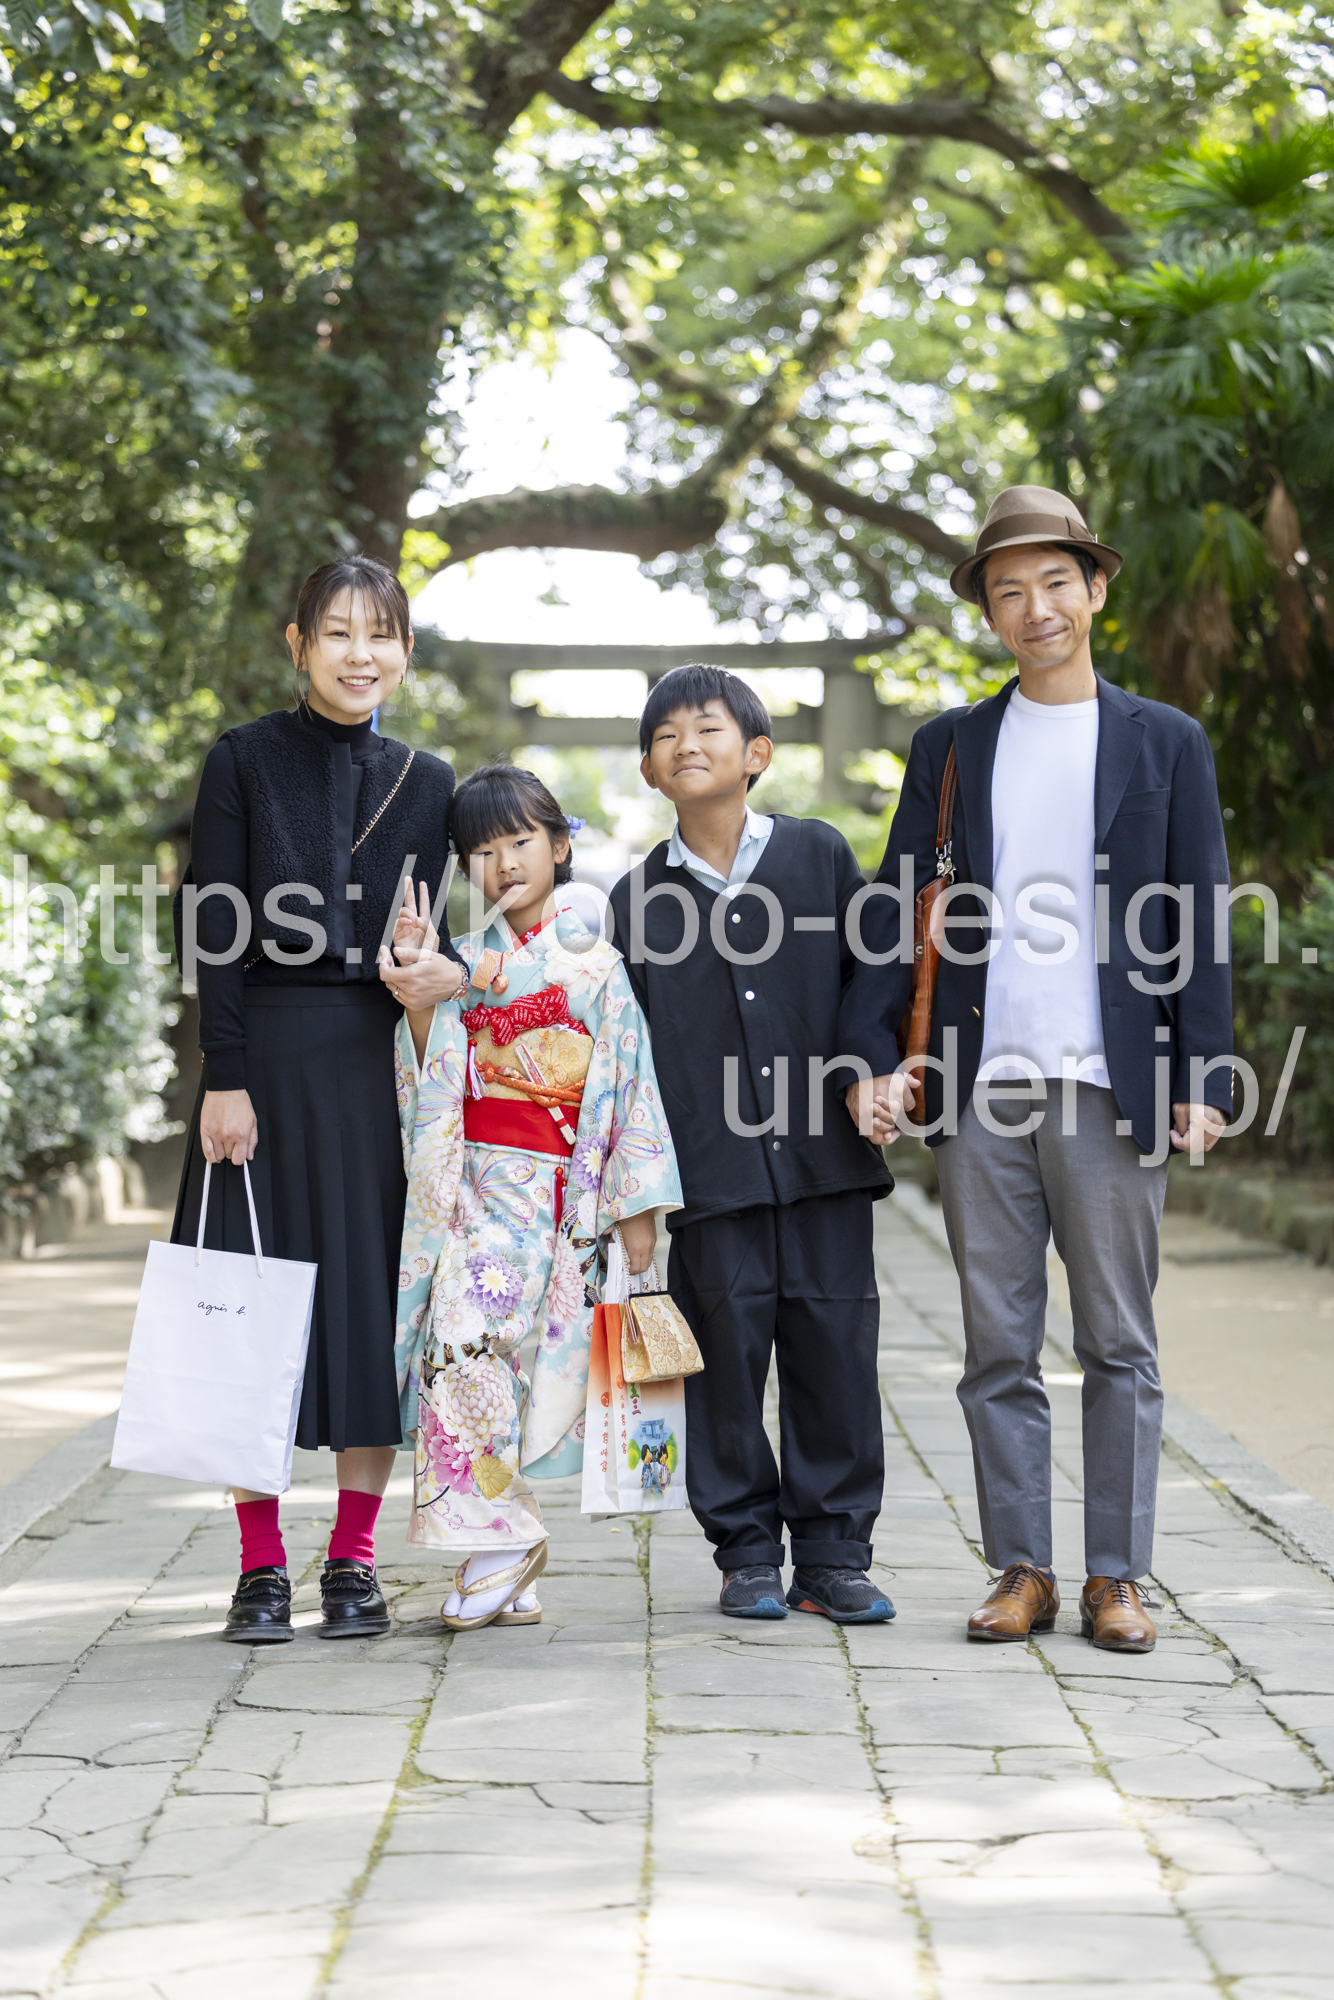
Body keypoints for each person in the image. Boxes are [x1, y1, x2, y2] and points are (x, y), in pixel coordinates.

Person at [840, 485, 1234, 1653]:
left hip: (1111, 1082)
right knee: (995, 1344)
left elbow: (1198, 914)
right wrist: (872, 1057)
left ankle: (1116, 1575)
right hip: (979, 1086)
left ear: (1093, 587)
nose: (1034, 606)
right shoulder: (950, 745)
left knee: (1116, 1340)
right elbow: (894, 908)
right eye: (1007, 590)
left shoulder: (1164, 739)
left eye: (1054, 581)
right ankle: (1022, 1566)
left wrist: (1203, 1074)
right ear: (987, 610)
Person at [171, 554, 466, 1645]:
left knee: (366, 1310)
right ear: (298, 645)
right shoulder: (241, 759)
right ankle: (259, 1568)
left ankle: (352, 1557)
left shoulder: (427, 781)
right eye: (337, 632)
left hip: (377, 1067)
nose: (359, 653)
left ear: (404, 651)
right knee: (245, 1309)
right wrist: (225, 1076)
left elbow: (439, 940)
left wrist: (432, 968)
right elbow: (213, 924)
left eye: (379, 633)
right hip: (261, 1062)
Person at [608, 664, 896, 1625]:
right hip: (710, 1178)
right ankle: (745, 1554)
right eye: (665, 737)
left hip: (825, 1163)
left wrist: (870, 1073)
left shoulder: (817, 856)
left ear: (757, 753)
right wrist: (638, 1195)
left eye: (708, 729)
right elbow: (627, 1052)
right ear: (649, 771)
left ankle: (834, 1556)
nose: (686, 746)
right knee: (722, 1367)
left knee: (836, 1354)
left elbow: (871, 979)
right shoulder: (636, 900)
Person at [391, 765, 681, 1631]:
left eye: (521, 841)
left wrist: (637, 1213)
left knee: (508, 1366)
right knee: (461, 1349)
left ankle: (504, 1544)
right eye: (482, 851)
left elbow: (630, 1085)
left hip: (561, 1192)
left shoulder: (593, 960)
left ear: (559, 846)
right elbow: (431, 1069)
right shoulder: (464, 958)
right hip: (475, 1185)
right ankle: (502, 1539)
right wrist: (422, 993)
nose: (505, 862)